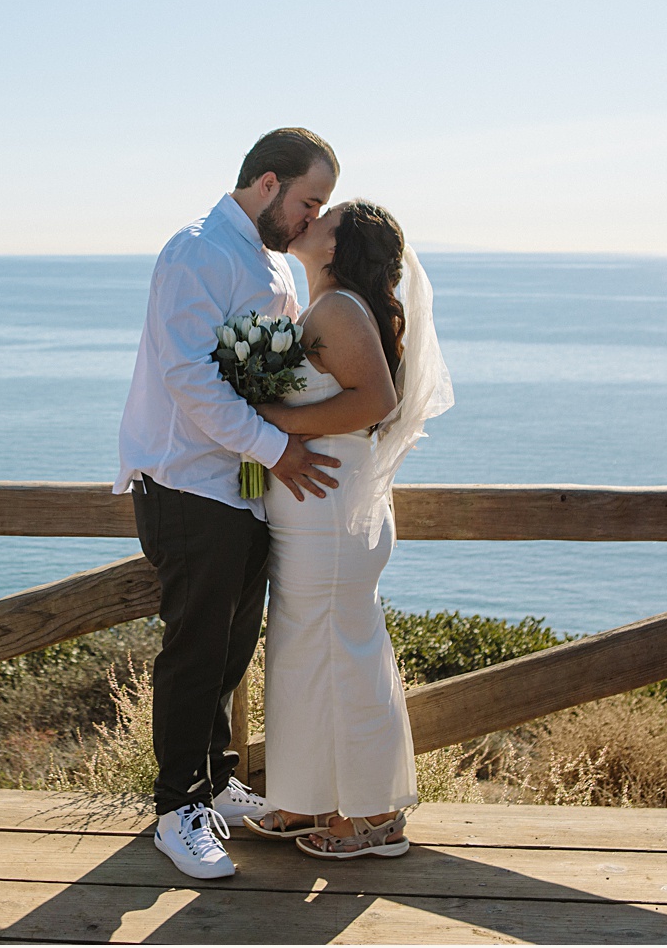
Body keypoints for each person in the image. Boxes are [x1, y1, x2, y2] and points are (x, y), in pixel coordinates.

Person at [116, 127, 343, 881]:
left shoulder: (270, 259)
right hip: (189, 483)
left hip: (243, 488)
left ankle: (215, 783)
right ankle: (175, 809)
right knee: (194, 649)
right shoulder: (197, 251)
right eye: (310, 201)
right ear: (270, 184)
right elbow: (188, 375)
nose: (313, 219)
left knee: (230, 647)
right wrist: (279, 449)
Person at [239, 201, 452, 859]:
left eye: (324, 220)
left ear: (336, 249)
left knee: (345, 660)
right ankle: (304, 799)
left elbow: (374, 403)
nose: (310, 220)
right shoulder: (329, 307)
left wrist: (269, 421)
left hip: (330, 512)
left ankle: (375, 817)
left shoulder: (338, 311)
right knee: (307, 656)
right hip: (323, 512)